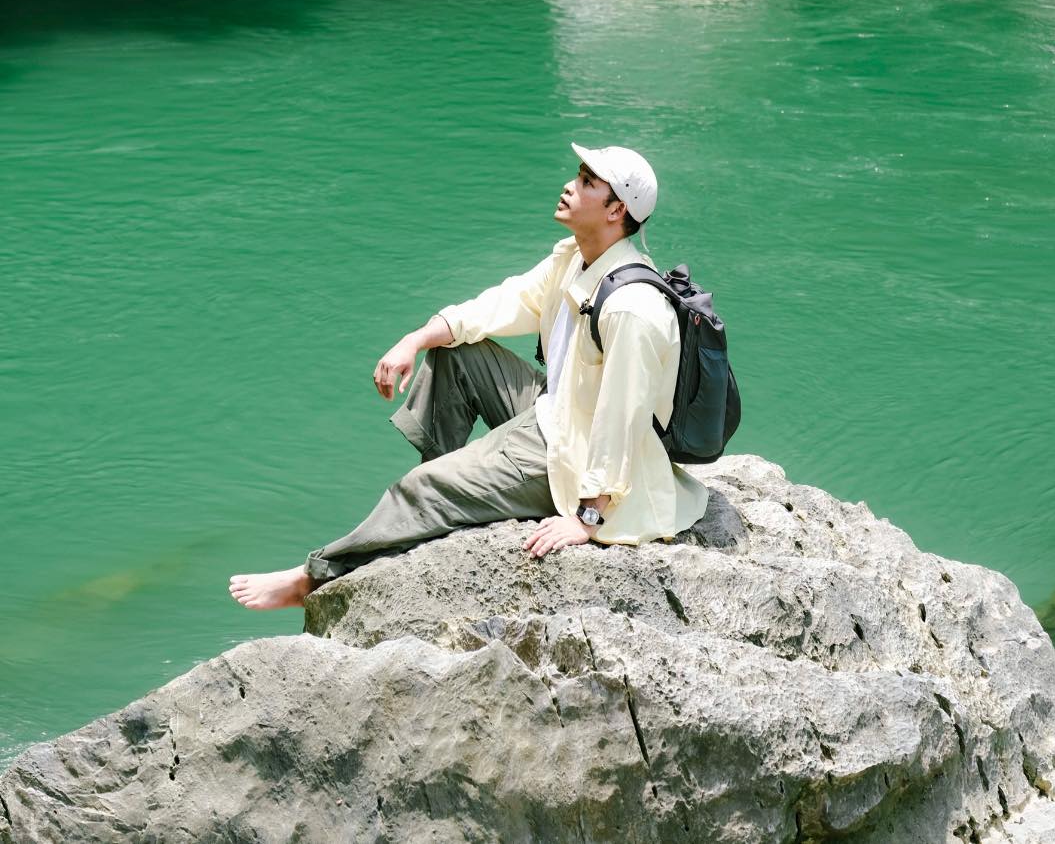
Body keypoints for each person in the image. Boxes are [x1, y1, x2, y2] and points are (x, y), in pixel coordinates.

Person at [229, 142, 709, 610]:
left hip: (578, 457)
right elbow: (507, 301)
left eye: (586, 182)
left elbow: (620, 419)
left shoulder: (633, 307)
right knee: (458, 353)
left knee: (419, 489)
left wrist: (588, 518)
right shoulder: (575, 258)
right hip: (559, 410)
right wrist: (415, 339)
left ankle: (313, 579)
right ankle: (446, 490)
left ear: (615, 210)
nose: (569, 185)